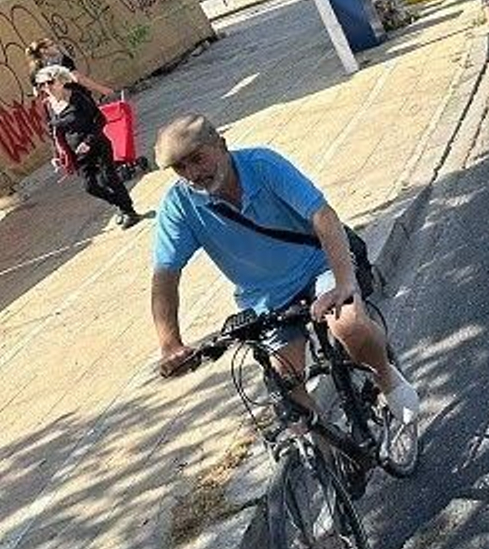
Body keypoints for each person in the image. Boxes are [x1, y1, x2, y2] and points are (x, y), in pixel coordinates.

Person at [148, 114, 420, 444]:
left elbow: (323, 216)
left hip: (319, 265)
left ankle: (387, 378)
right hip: (266, 297)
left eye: (197, 158)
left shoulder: (262, 165)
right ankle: (328, 459)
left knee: (348, 323)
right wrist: (170, 344)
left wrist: (344, 283)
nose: (192, 174)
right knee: (285, 385)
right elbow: (165, 274)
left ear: (221, 145)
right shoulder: (179, 205)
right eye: (180, 167)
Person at [35, 64, 144, 227]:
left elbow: (100, 119)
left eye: (50, 82)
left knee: (109, 178)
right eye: (42, 85)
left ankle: (129, 211)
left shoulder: (78, 97)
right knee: (90, 187)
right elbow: (54, 133)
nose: (46, 87)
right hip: (77, 154)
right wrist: (56, 156)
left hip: (97, 144)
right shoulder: (47, 105)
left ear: (61, 81)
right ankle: (120, 205)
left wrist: (88, 142)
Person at [27, 37, 112, 96]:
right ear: (43, 50)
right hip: (75, 98)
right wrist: (102, 89)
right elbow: (77, 78)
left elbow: (36, 91)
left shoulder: (34, 68)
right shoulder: (61, 60)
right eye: (51, 45)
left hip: (58, 107)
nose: (56, 46)